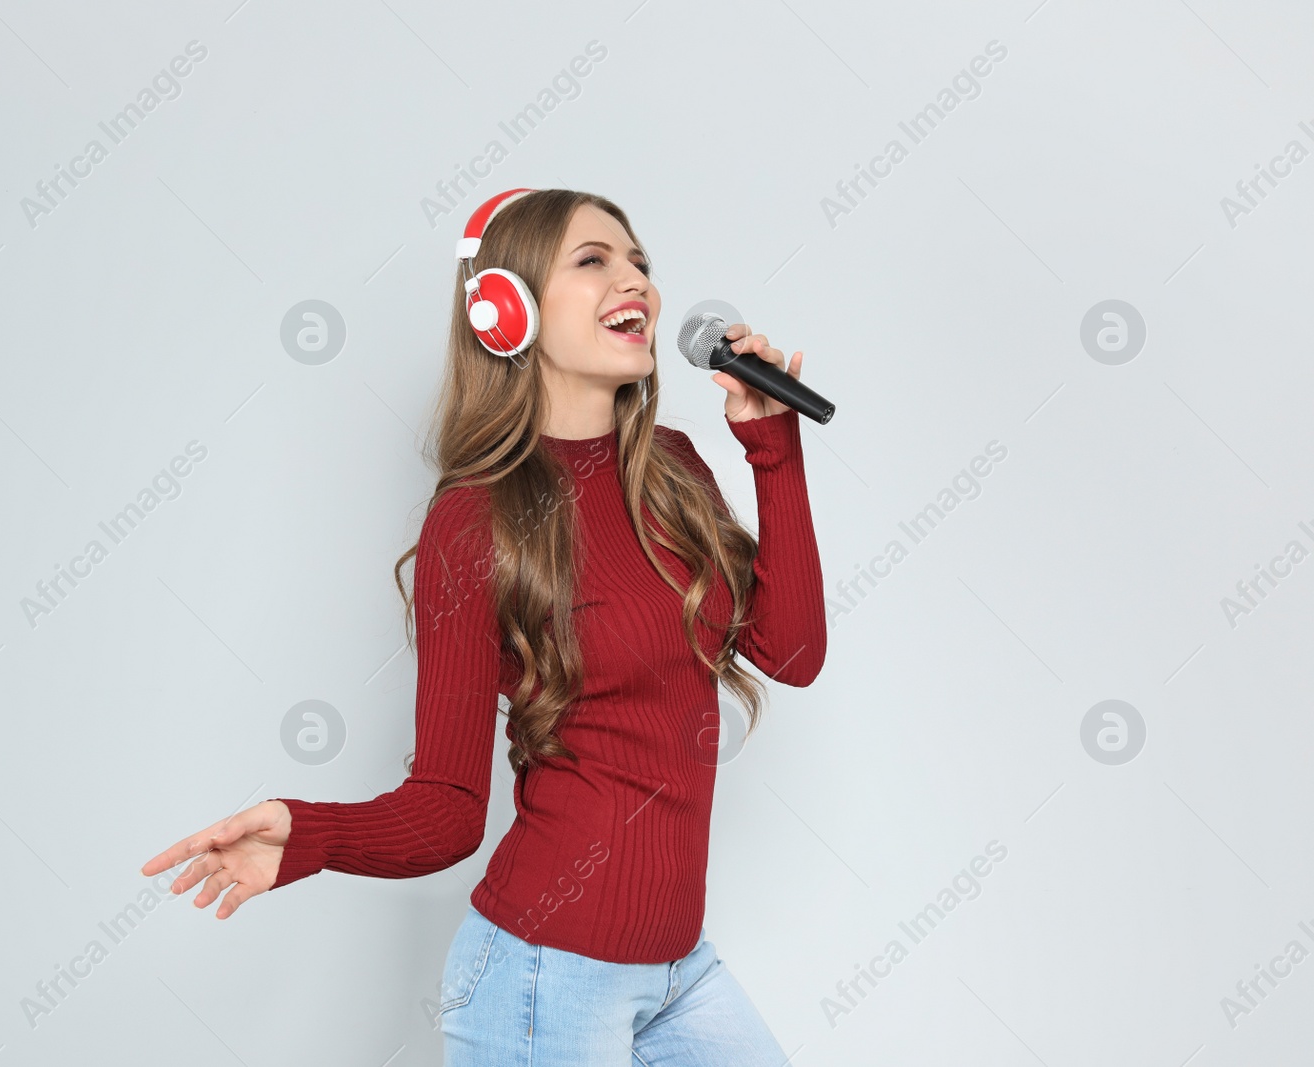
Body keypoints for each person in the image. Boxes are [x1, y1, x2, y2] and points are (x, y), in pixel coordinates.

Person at [141, 187, 828, 1064]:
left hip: (677, 970)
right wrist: (309, 832)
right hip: (544, 977)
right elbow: (448, 810)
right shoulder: (475, 523)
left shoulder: (674, 470)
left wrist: (775, 448)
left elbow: (792, 652)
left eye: (641, 263)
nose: (638, 283)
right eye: (594, 260)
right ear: (507, 310)